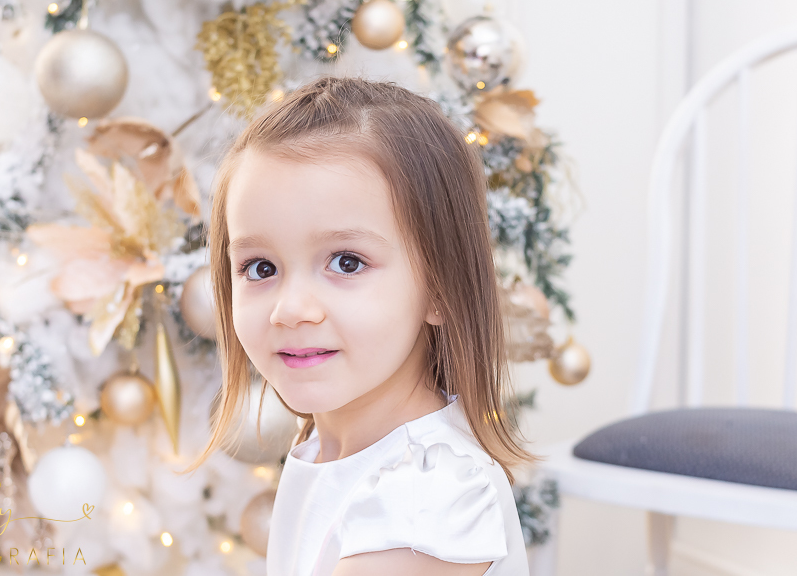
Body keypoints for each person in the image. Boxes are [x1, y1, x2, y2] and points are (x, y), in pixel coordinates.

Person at [182, 76, 543, 575]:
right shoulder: (330, 451)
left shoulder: (424, 496)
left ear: (440, 287)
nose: (291, 309)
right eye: (260, 268)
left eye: (347, 262)